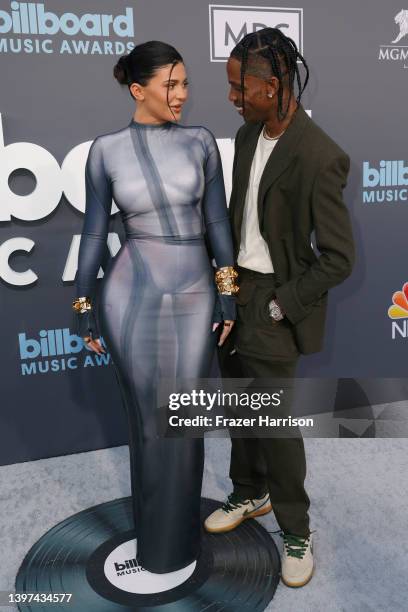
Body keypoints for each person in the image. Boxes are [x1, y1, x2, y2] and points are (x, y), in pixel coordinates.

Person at [72, 41, 237, 574]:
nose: (182, 95)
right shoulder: (106, 150)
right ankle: (155, 547)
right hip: (130, 293)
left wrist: (227, 290)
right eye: (171, 85)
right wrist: (83, 301)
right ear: (137, 89)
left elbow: (217, 223)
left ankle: (178, 543)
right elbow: (95, 232)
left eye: (186, 83)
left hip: (194, 292)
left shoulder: (200, 142)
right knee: (146, 422)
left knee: (183, 420)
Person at [204, 28, 355, 588]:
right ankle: (250, 493)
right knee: (240, 409)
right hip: (234, 291)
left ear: (272, 85)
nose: (232, 97)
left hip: (270, 301)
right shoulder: (246, 135)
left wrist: (280, 306)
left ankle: (296, 530)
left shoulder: (320, 155)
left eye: (239, 87)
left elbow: (339, 258)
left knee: (273, 424)